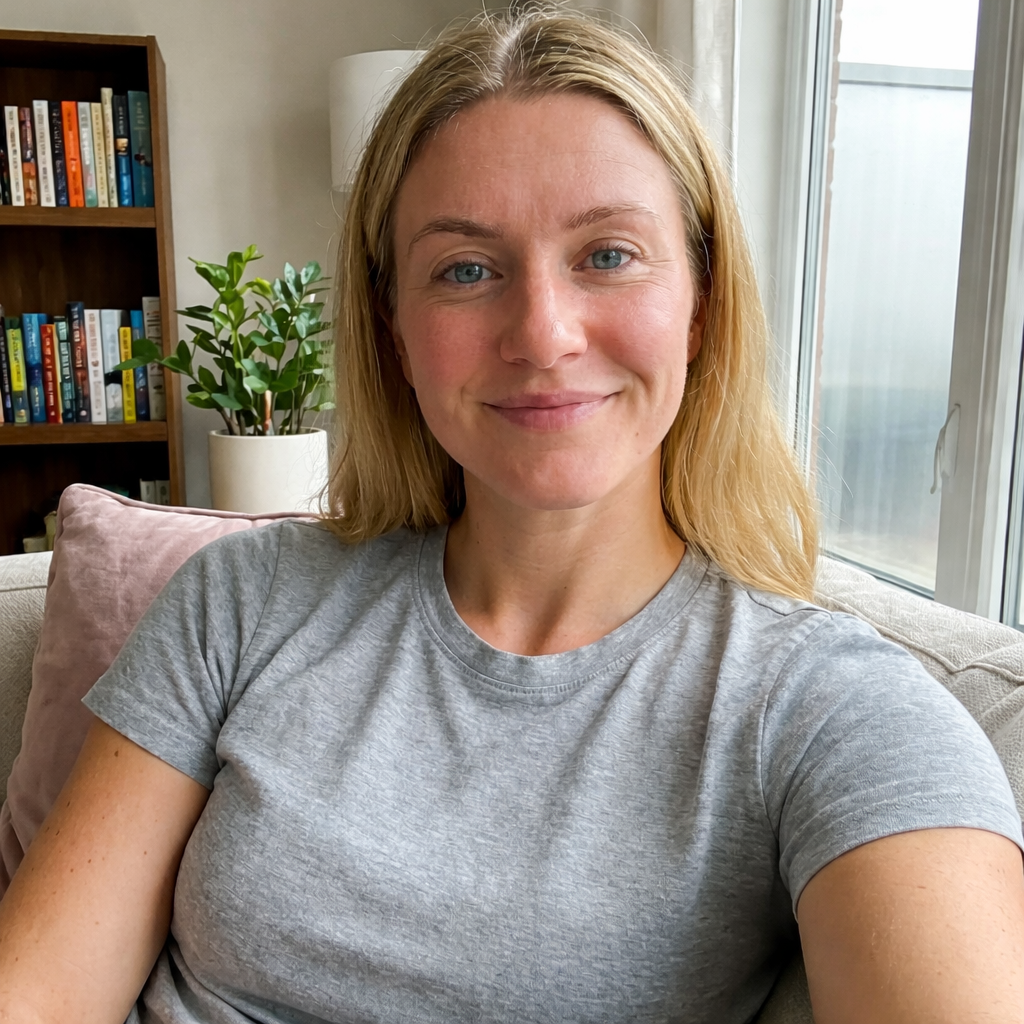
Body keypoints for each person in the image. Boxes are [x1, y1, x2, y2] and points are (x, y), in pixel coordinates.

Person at [1, 8, 1023, 1023]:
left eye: (608, 254)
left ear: (701, 303)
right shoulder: (238, 600)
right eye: (465, 269)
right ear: (394, 331)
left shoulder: (830, 708)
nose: (542, 334)